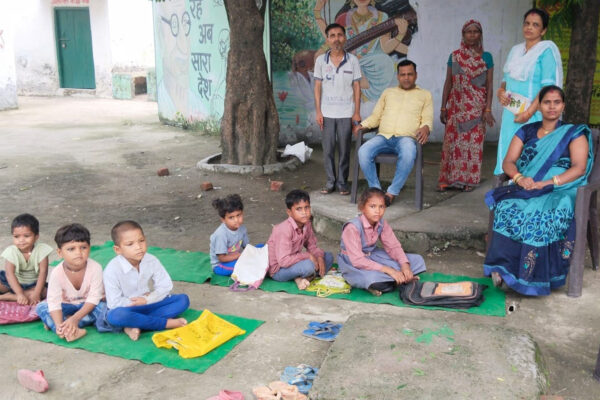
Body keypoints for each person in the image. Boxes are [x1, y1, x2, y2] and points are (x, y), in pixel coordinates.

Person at [484, 86, 593, 296]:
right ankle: (504, 268)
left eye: (557, 102)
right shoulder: (526, 131)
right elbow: (509, 161)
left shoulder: (573, 133)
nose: (552, 107)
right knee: (506, 206)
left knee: (539, 214)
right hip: (528, 185)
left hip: (561, 188)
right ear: (539, 106)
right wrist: (519, 178)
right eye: (547, 102)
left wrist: (548, 183)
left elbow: (579, 168)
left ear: (563, 106)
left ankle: (533, 275)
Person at [354, 60, 433, 205]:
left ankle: (391, 193)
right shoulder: (388, 92)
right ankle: (376, 191)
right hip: (383, 137)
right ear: (398, 76)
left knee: (409, 153)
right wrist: (363, 125)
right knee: (363, 151)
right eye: (403, 74)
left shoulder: (425, 95)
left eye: (410, 74)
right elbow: (376, 116)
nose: (406, 78)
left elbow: (427, 118)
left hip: (406, 139)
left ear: (416, 75)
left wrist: (426, 127)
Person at [494, 7, 563, 175]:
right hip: (511, 113)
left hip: (533, 113)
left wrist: (528, 113)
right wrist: (500, 92)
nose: (529, 27)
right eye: (527, 23)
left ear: (543, 30)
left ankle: (526, 187)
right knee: (508, 151)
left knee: (529, 153)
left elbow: (548, 88)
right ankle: (505, 185)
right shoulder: (515, 50)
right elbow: (505, 79)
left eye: (535, 25)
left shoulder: (546, 50)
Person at [103, 221, 190, 341]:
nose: (138, 247)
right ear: (118, 249)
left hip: (149, 303)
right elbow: (114, 303)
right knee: (115, 316)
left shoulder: (151, 260)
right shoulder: (112, 269)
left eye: (141, 241)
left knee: (182, 300)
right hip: (128, 308)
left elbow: (165, 286)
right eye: (130, 244)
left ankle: (135, 324)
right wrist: (135, 302)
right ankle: (165, 323)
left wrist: (147, 299)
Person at [438, 20, 495, 192]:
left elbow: (489, 85)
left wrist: (488, 109)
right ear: (463, 35)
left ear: (480, 35)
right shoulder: (454, 56)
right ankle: (449, 180)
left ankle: (469, 180)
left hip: (476, 108)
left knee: (472, 145)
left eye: (475, 31)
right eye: (468, 32)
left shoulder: (487, 57)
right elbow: (448, 82)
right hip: (456, 107)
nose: (472, 35)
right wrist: (443, 107)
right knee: (453, 143)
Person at [338, 187, 426, 296]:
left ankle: (393, 280)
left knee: (416, 260)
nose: (377, 211)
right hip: (354, 262)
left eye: (381, 207)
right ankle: (392, 280)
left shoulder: (382, 223)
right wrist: (390, 270)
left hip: (373, 256)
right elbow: (358, 260)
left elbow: (393, 246)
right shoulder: (352, 227)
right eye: (372, 206)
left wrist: (405, 266)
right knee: (371, 278)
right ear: (362, 208)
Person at [35, 224, 108, 342]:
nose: (78, 252)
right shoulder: (56, 273)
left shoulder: (96, 268)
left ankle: (65, 324)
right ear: (60, 253)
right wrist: (58, 324)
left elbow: (94, 298)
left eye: (83, 247)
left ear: (89, 248)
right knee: (42, 307)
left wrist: (74, 318)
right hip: (66, 306)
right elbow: (54, 302)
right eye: (71, 249)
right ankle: (66, 328)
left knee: (107, 310)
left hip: (89, 306)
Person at [314, 23, 362, 195]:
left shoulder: (353, 60)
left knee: (344, 149)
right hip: (327, 113)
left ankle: (342, 183)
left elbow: (357, 87)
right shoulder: (321, 60)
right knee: (327, 150)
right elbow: (317, 87)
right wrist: (318, 111)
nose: (336, 39)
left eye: (339, 35)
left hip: (346, 113)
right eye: (332, 36)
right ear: (327, 39)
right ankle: (330, 182)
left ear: (345, 38)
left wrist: (356, 112)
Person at [267, 189, 334, 290]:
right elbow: (283, 261)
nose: (304, 213)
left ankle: (303, 279)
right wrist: (308, 256)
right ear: (289, 212)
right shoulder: (284, 229)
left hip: (294, 263)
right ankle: (303, 277)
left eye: (306, 207)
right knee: (308, 266)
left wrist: (319, 257)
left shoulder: (307, 224)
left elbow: (312, 246)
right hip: (279, 270)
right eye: (299, 209)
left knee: (328, 257)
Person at [0, 214, 53, 304]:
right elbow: (9, 274)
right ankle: (17, 295)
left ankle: (8, 297)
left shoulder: (41, 250)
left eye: (26, 236)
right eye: (16, 236)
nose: (21, 240)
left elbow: (43, 273)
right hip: (11, 283)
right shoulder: (11, 251)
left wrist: (37, 293)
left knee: (46, 293)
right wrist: (19, 293)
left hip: (33, 284)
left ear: (36, 237)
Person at [210, 194, 250, 276]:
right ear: (223, 220)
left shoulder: (242, 228)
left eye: (238, 215)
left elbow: (247, 247)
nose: (236, 220)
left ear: (242, 213)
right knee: (244, 265)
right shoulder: (221, 234)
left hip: (236, 259)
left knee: (261, 247)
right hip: (221, 265)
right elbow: (221, 258)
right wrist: (239, 256)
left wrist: (254, 252)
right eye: (231, 217)